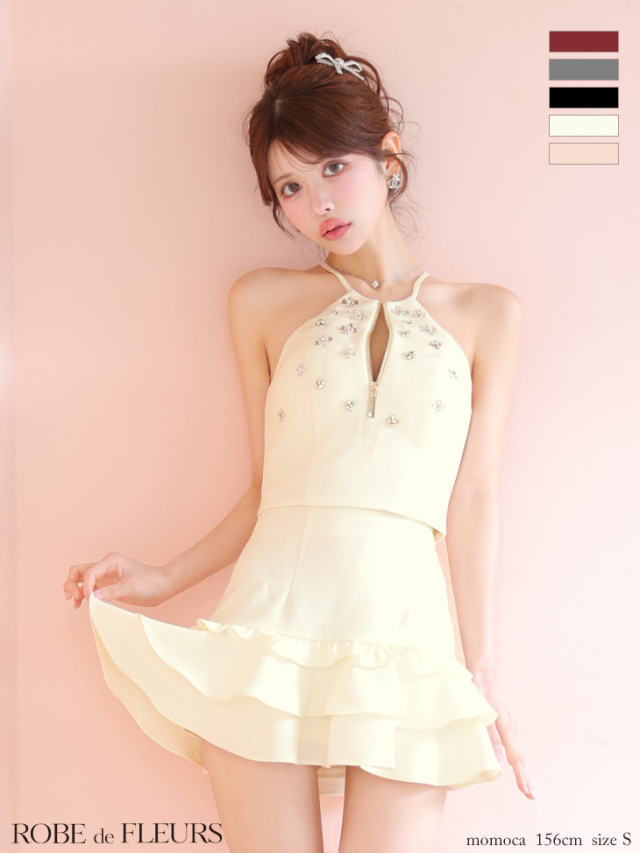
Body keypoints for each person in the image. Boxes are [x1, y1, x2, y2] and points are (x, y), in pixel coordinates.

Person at [63, 31, 533, 853]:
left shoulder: (488, 314)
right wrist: (164, 577)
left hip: (407, 636)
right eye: (290, 185)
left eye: (333, 167)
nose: (318, 202)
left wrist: (481, 666)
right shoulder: (262, 302)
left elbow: (474, 497)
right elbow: (269, 489)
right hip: (271, 630)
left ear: (388, 157)